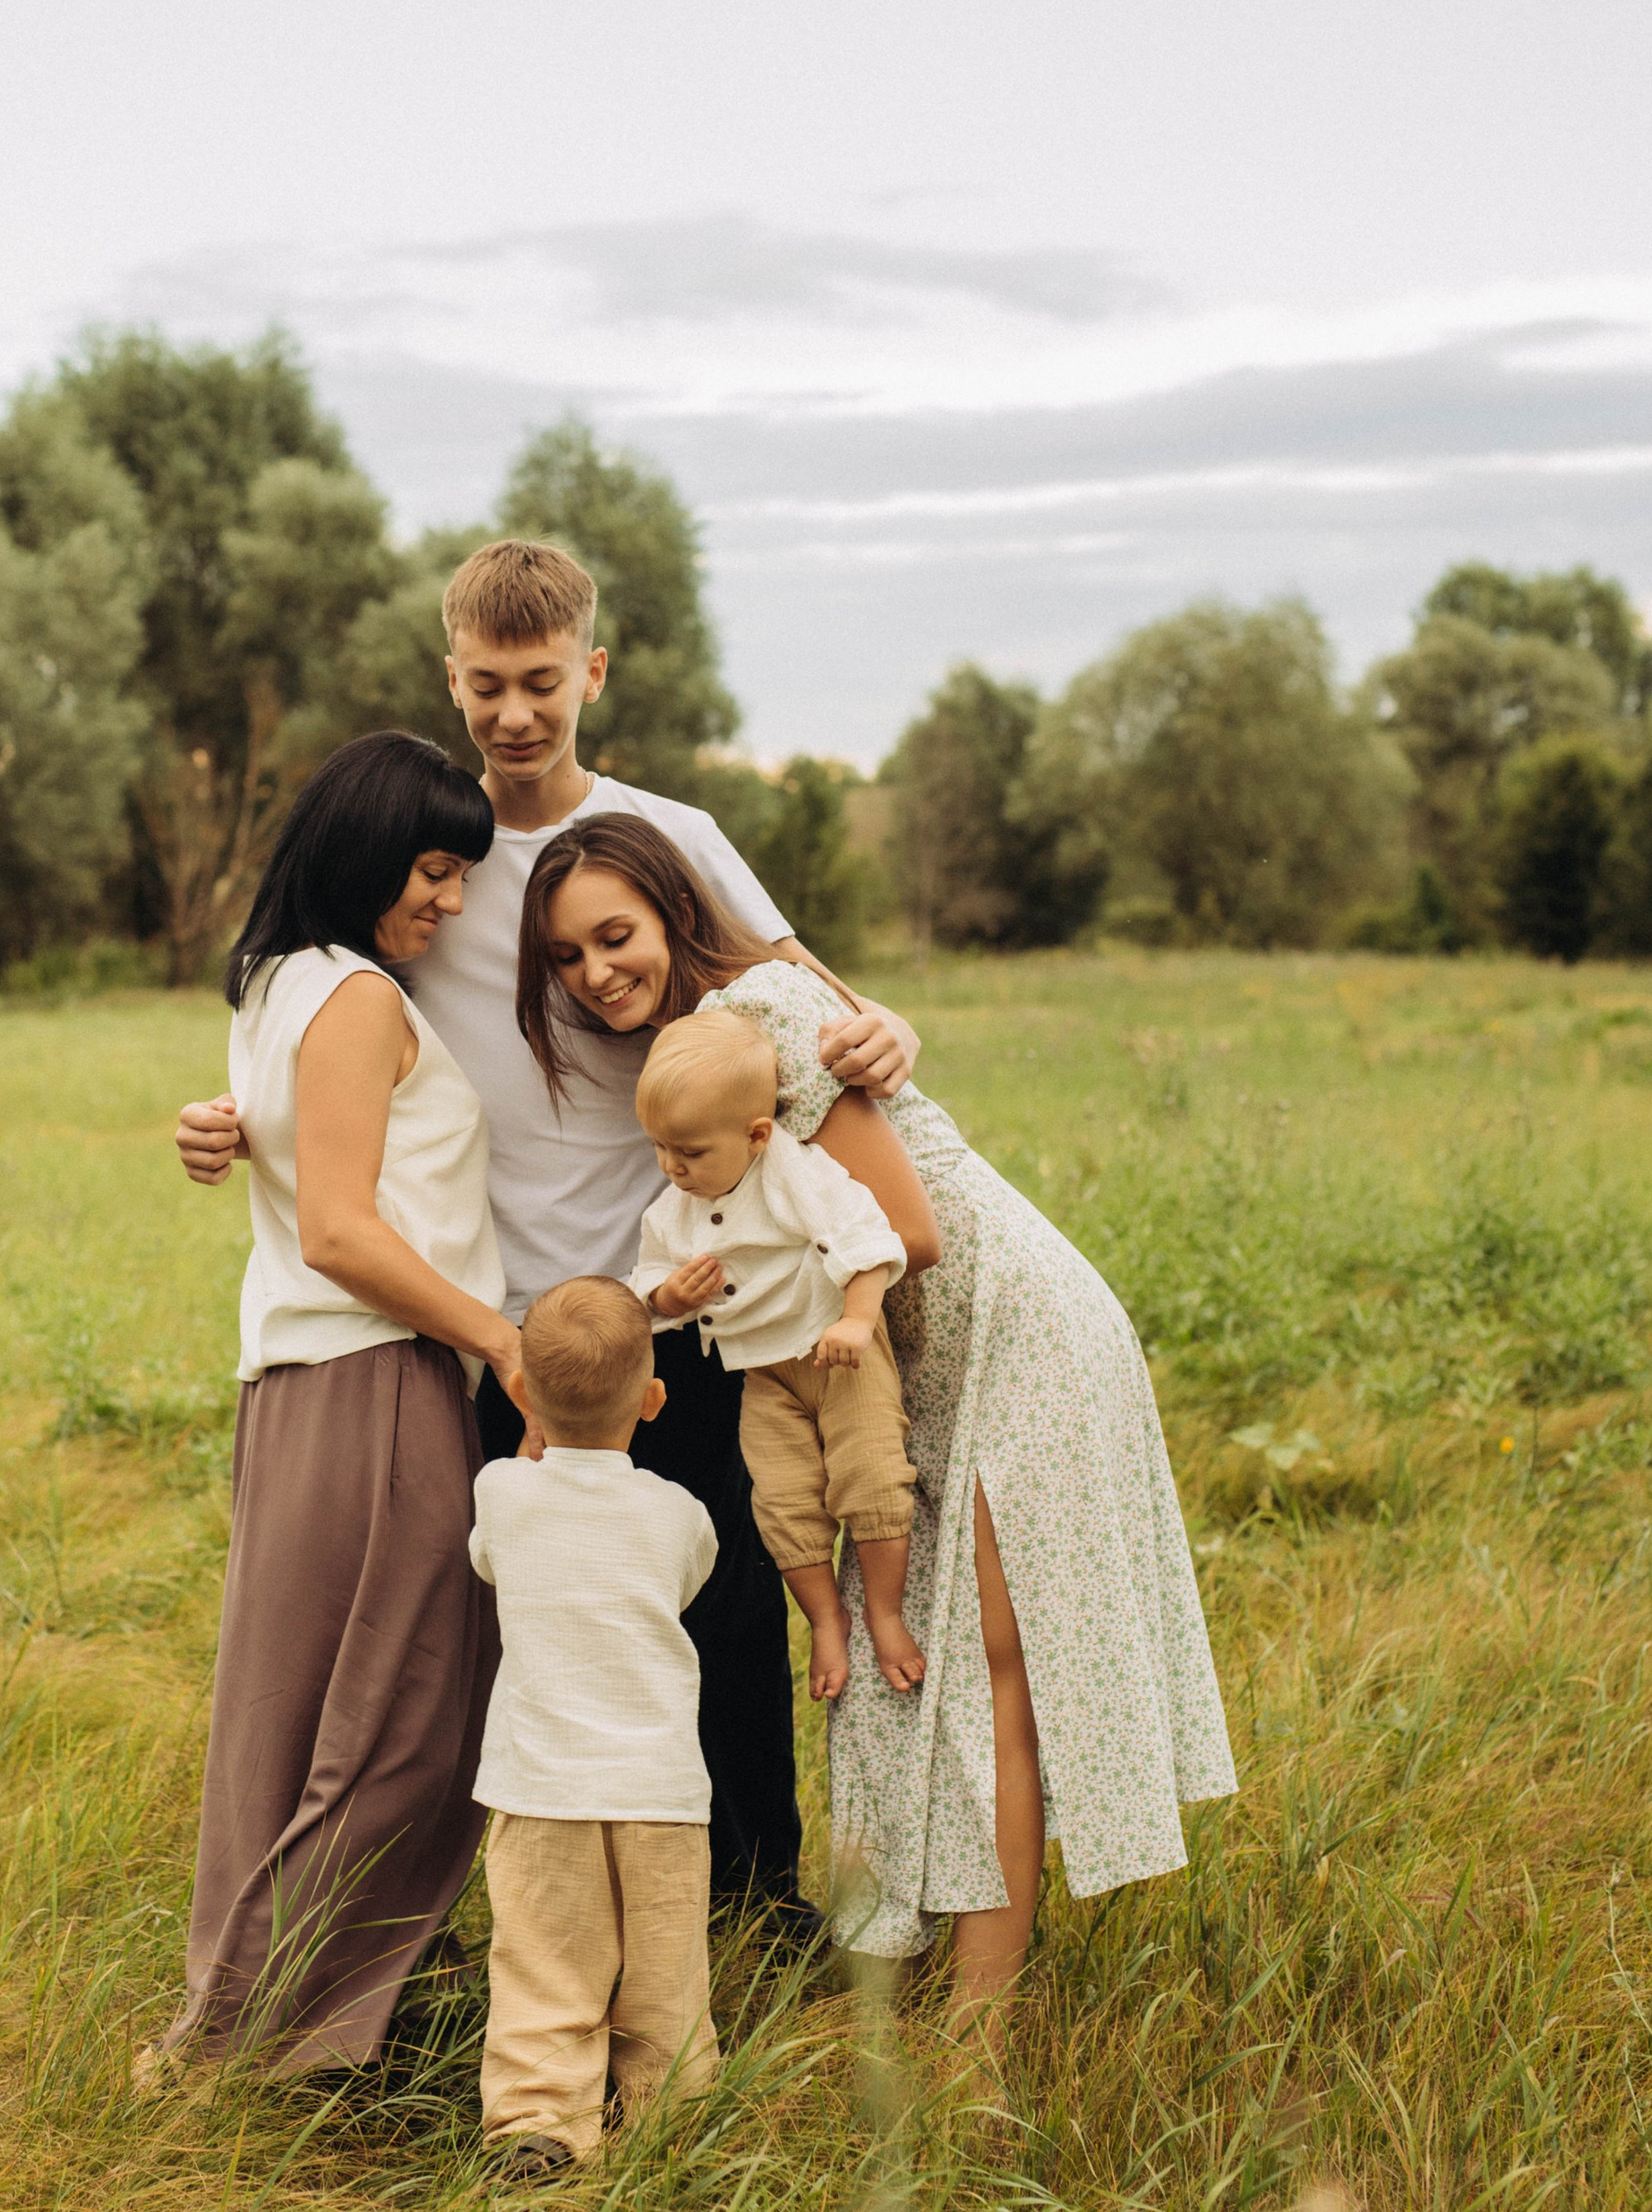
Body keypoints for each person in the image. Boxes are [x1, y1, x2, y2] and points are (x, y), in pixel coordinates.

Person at [176, 536, 923, 1930]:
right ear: (448, 679)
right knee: (518, 1626)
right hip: (497, 1325)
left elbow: (801, 992)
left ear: (590, 673)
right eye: (484, 686)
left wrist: (888, 1026)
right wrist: (235, 1117)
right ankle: (540, 1913)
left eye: (540, 684)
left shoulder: (670, 835)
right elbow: (347, 1037)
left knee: (720, 1612)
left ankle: (749, 1904)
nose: (514, 715)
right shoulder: (431, 856)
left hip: (679, 1297)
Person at [522, 812, 1237, 2012]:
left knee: (994, 1667)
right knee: (943, 1669)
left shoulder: (764, 1015)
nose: (596, 973)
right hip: (906, 1365)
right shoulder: (701, 1048)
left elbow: (907, 1229)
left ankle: (978, 2022)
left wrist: (739, 1310)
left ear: (671, 913)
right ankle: (959, 1976)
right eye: (565, 957)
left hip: (1005, 1329)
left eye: (613, 935)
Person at [148, 731, 522, 2079]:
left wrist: (227, 1125)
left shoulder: (273, 983)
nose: (451, 903)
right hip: (378, 1375)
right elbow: (343, 1232)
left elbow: (302, 1164)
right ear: (364, 850)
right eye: (432, 870)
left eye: (462, 877)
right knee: (412, 1722)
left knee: (292, 1719)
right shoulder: (356, 995)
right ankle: (272, 2032)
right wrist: (507, 1344)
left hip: (301, 1385)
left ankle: (246, 2025)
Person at [471, 1276, 721, 2174]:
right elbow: (687, 1578)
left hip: (543, 1790)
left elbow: (486, 1559)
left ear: (523, 1396)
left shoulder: (501, 1492)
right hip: (660, 1791)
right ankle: (671, 2122)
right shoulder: (678, 1514)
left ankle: (540, 2126)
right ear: (653, 1401)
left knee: (545, 1967)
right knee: (665, 1978)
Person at [629, 1011, 925, 1704]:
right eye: (659, 1149)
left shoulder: (795, 1173)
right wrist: (668, 1296)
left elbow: (865, 1236)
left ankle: (885, 1613)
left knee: (872, 1474)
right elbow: (646, 1284)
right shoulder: (675, 1209)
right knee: (783, 1501)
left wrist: (857, 1321)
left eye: (691, 1152)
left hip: (836, 1353)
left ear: (756, 1135)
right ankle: (827, 1616)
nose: (673, 1167)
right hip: (763, 1373)